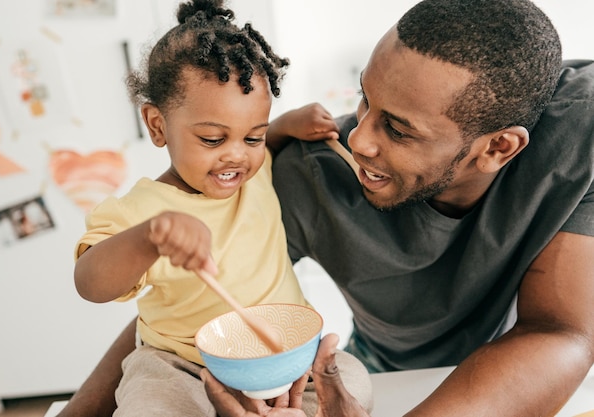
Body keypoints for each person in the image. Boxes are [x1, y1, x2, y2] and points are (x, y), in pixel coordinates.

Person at [60, 0, 594, 415]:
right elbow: (184, 301)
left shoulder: (580, 134)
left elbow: (561, 333)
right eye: (364, 100)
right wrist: (81, 412)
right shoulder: (309, 173)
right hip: (391, 372)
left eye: (398, 129)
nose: (358, 138)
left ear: (498, 148)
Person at [70, 0, 371, 416]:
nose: (236, 157)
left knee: (354, 382)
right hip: (183, 365)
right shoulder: (137, 213)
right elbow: (90, 283)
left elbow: (268, 142)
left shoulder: (255, 172)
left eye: (252, 138)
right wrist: (149, 237)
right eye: (212, 139)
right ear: (158, 125)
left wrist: (285, 125)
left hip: (282, 353)